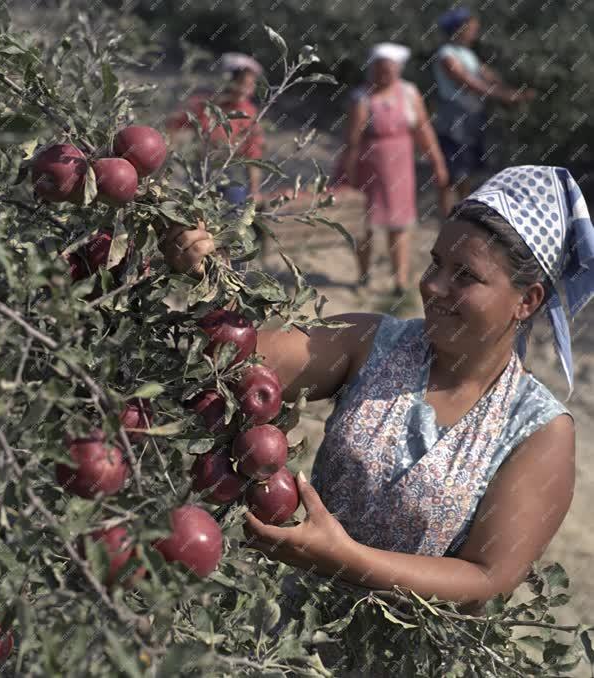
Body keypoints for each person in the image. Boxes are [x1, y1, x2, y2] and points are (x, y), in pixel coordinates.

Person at [160, 165, 592, 671]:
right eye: (435, 263)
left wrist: (346, 559)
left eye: (465, 276)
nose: (432, 286)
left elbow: (486, 579)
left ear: (527, 300)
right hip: (286, 645)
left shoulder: (539, 430)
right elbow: (246, 363)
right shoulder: (373, 343)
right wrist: (208, 275)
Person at [334, 43, 449, 295]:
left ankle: (400, 281)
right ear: (372, 68)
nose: (385, 74)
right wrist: (349, 176)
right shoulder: (361, 98)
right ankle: (363, 275)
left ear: (398, 69)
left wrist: (437, 163)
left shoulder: (409, 93)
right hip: (368, 170)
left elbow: (424, 130)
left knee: (399, 224)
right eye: (380, 69)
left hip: (399, 170)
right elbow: (352, 141)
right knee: (362, 224)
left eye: (390, 69)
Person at [433, 7, 536, 205]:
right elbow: (470, 83)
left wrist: (516, 90)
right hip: (454, 119)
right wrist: (508, 96)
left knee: (467, 171)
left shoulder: (467, 53)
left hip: (471, 118)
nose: (474, 31)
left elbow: (489, 77)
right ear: (458, 29)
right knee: (451, 172)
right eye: (470, 27)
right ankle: (446, 220)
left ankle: (462, 215)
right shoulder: (447, 54)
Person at [167, 52, 265, 204]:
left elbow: (253, 154)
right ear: (227, 81)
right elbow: (174, 127)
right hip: (200, 171)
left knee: (233, 212)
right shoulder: (204, 105)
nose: (245, 90)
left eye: (249, 85)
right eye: (241, 83)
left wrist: (254, 190)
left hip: (231, 174)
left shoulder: (248, 113)